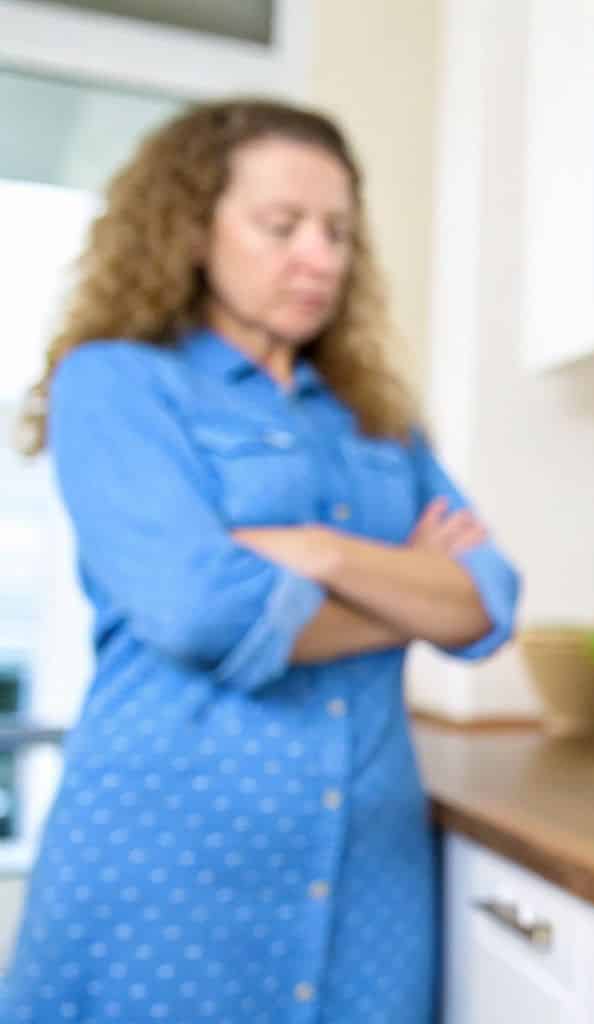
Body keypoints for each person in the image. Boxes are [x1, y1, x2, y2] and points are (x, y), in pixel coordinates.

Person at [0, 98, 520, 1022]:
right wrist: (404, 583)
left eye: (338, 232)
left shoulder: (379, 422)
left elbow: (485, 602)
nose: (318, 257)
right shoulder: (116, 382)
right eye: (282, 227)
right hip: (167, 871)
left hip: (372, 878)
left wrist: (318, 551)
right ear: (192, 228)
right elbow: (201, 609)